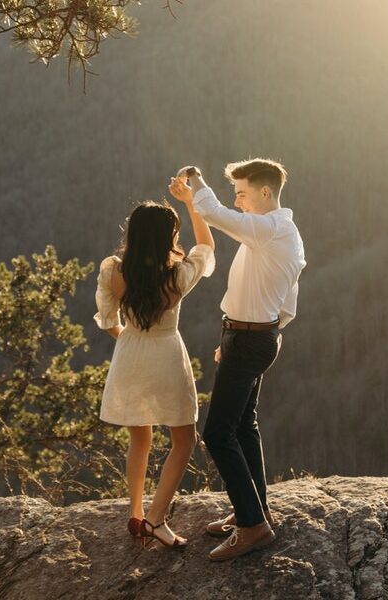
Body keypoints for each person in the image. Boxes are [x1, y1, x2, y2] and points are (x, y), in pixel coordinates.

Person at [168, 159, 306, 562]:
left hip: (250, 339)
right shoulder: (282, 233)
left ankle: (253, 526)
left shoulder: (272, 229)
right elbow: (287, 300)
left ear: (265, 193)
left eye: (242, 193)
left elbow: (216, 214)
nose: (239, 202)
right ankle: (254, 508)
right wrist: (246, 334)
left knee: (218, 432)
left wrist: (196, 183)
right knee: (245, 424)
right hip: (251, 336)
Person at [94, 198, 214, 548]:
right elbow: (206, 246)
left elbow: (106, 320)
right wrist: (193, 204)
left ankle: (135, 512)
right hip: (166, 356)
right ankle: (155, 519)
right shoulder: (176, 276)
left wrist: (132, 341)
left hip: (129, 354)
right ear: (167, 237)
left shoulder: (113, 271)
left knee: (140, 438)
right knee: (183, 440)